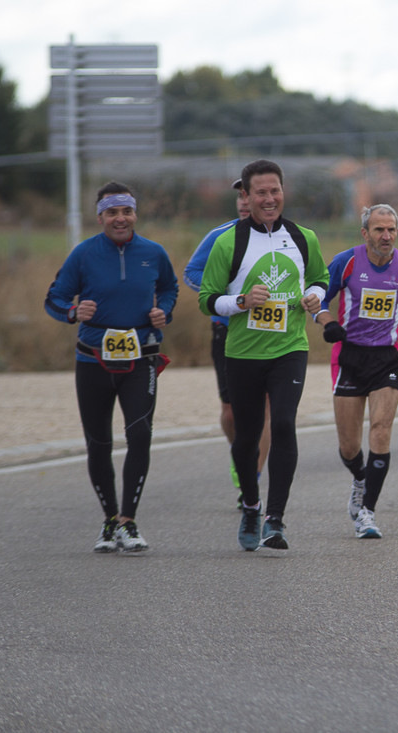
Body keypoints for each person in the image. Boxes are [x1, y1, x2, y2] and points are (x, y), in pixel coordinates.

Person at [199, 159, 329, 552]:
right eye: (261, 192)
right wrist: (241, 301)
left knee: (284, 423)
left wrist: (315, 297)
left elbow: (321, 279)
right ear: (246, 195)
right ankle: (251, 507)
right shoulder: (229, 242)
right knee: (247, 436)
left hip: (290, 348)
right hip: (243, 352)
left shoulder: (304, 238)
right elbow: (207, 299)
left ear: (283, 192)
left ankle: (275, 519)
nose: (269, 199)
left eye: (275, 191)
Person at [44, 181, 179, 553]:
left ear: (135, 214)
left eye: (126, 211)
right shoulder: (83, 254)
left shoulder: (154, 252)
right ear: (100, 217)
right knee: (99, 443)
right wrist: (73, 311)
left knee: (140, 435)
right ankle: (109, 520)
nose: (120, 219)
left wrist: (163, 311)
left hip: (140, 356)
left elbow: (170, 288)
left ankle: (128, 521)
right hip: (93, 358)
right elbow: (54, 298)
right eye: (112, 212)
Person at [314, 204, 398, 539]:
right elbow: (319, 297)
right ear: (365, 233)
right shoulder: (346, 262)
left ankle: (367, 512)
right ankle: (360, 477)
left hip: (387, 357)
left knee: (380, 429)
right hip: (349, 356)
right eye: (379, 230)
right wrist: (328, 322)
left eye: (391, 229)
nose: (386, 236)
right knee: (349, 446)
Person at [183, 178, 270, 507]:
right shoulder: (220, 235)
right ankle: (241, 456)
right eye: (241, 196)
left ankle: (253, 480)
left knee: (264, 408)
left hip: (268, 330)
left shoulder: (284, 236)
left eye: (251, 195)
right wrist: (227, 295)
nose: (245, 202)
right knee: (232, 412)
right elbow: (191, 273)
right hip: (228, 329)